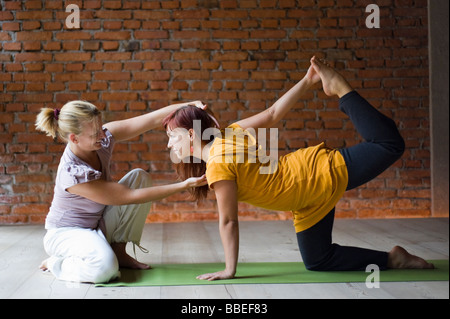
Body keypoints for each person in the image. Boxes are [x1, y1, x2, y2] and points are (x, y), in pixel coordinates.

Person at [163, 56, 434, 281]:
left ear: (190, 135)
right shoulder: (230, 134)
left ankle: (342, 89)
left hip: (314, 175)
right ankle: (393, 259)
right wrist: (306, 81)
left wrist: (229, 269)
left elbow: (228, 221)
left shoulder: (218, 165)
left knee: (388, 144)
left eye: (171, 137)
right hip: (304, 201)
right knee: (318, 259)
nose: (168, 145)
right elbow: (273, 113)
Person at [35, 100, 207, 283]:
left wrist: (190, 105)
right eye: (95, 134)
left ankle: (119, 252)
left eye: (101, 128)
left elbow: (151, 119)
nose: (103, 135)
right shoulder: (72, 173)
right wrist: (184, 185)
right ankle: (57, 263)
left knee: (139, 178)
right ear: (74, 139)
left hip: (96, 224)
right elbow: (128, 196)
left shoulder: (100, 140)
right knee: (105, 268)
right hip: (66, 234)